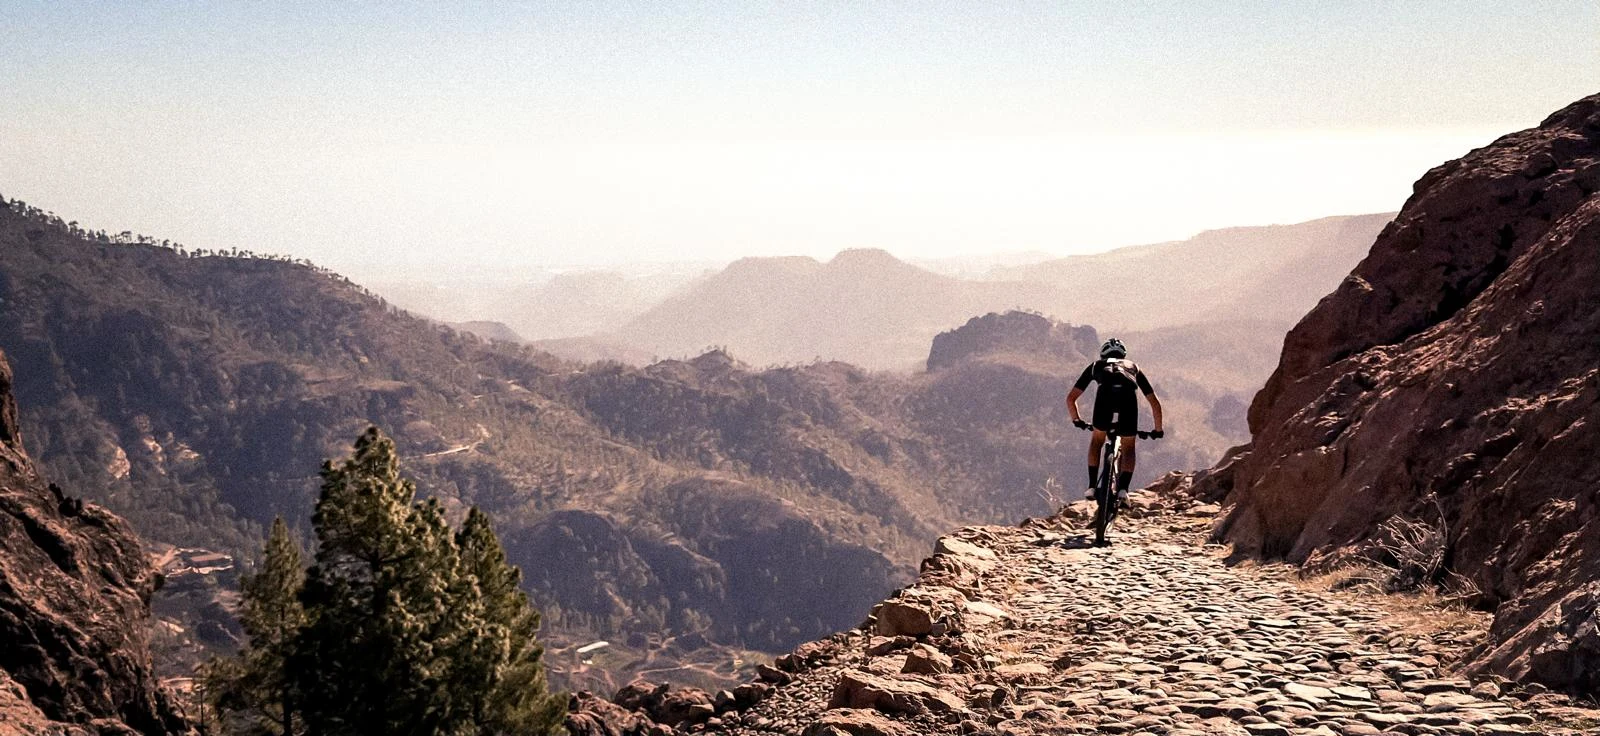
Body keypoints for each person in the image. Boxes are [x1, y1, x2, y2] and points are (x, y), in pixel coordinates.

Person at [1066, 338, 1163, 507]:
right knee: (1128, 446)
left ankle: (1091, 487)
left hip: (1104, 400)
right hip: (1128, 401)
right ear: (1123, 355)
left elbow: (1071, 398)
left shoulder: (1096, 366)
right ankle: (1124, 490)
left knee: (1097, 440)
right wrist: (1157, 430)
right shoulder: (1133, 367)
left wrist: (1077, 420)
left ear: (1103, 354)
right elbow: (1154, 402)